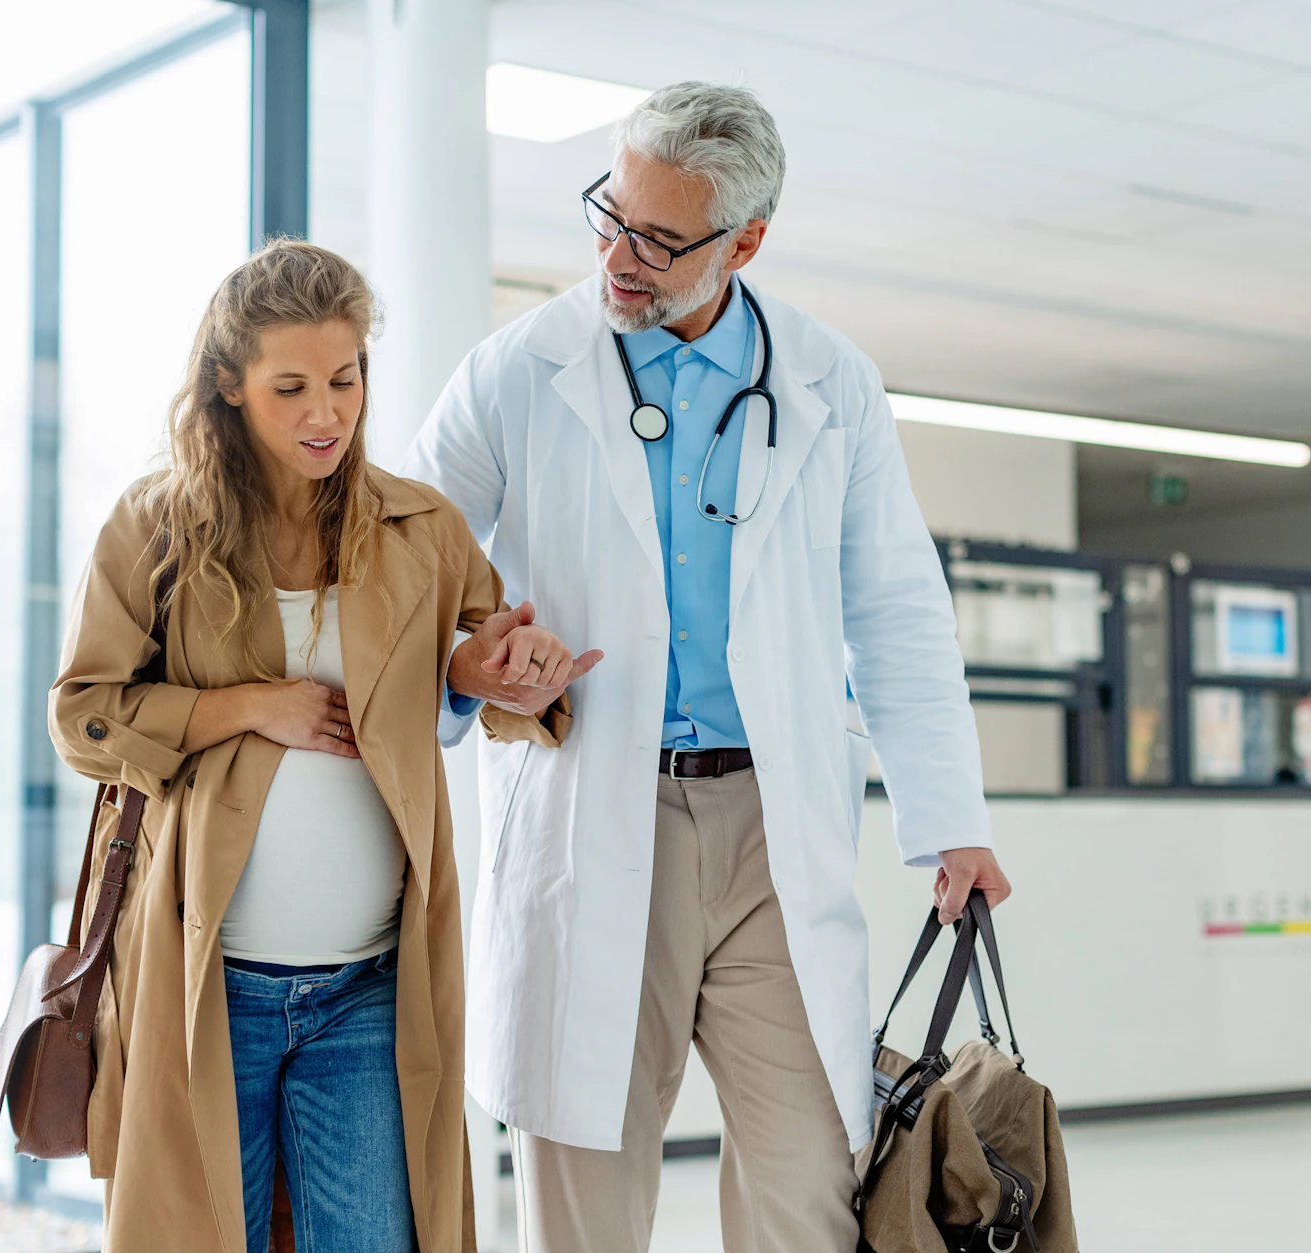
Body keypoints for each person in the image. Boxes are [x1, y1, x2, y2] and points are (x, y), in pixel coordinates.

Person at [406, 82, 1009, 1253]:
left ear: (745, 241)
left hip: (769, 830)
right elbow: (398, 575)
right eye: (609, 215)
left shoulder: (831, 385)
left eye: (656, 238)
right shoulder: (517, 369)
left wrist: (951, 820)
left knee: (805, 1190)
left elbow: (894, 607)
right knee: (583, 1198)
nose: (615, 257)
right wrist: (468, 668)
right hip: (592, 807)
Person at [49, 240, 595, 1253]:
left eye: (344, 380)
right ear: (227, 383)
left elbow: (489, 665)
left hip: (370, 988)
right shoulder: (156, 524)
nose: (325, 413)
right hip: (207, 984)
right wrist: (247, 705)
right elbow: (84, 715)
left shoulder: (420, 525)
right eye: (290, 386)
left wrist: (496, 673)